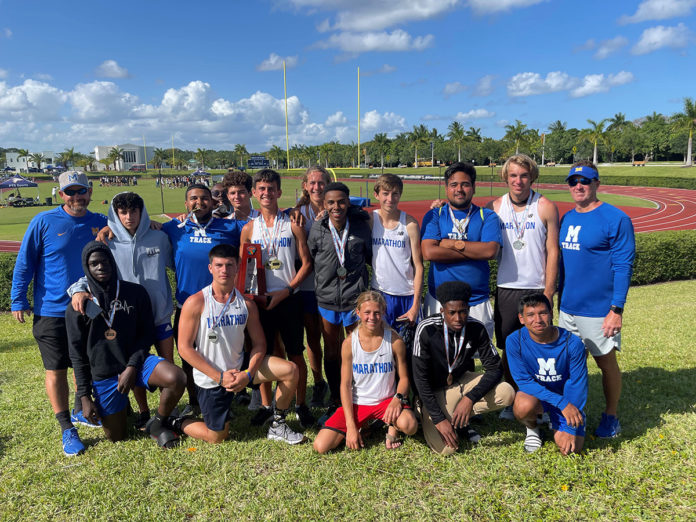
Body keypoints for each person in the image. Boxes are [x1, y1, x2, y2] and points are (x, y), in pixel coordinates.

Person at [11, 171, 107, 456]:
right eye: (70, 192)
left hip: (90, 309)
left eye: (81, 191)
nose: (76, 197)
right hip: (51, 310)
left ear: (90, 192)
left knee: (87, 362)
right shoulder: (43, 221)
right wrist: (18, 300)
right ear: (61, 194)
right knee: (56, 370)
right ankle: (67, 427)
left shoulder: (101, 223)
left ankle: (82, 408)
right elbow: (24, 262)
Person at [171, 244, 307, 445]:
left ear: (237, 268)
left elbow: (260, 344)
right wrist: (219, 377)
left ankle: (278, 425)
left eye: (229, 265)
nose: (224, 270)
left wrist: (248, 374)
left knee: (290, 370)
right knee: (217, 437)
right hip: (212, 377)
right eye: (218, 265)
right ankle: (176, 421)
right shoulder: (196, 302)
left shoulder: (246, 304)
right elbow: (184, 348)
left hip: (240, 367)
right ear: (210, 268)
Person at [67, 192, 175, 429]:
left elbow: (180, 263)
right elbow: (92, 271)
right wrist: (77, 290)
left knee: (169, 365)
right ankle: (144, 411)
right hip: (128, 318)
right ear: (116, 214)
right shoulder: (108, 240)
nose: (128, 217)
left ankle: (169, 411)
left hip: (160, 314)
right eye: (123, 212)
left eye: (134, 211)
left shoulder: (158, 237)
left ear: (142, 212)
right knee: (134, 363)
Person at [65, 242, 185, 449]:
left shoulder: (135, 293)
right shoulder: (77, 307)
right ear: (87, 268)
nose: (100, 267)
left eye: (105, 262)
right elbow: (77, 356)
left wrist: (132, 367)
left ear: (112, 263)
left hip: (136, 364)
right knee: (116, 436)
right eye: (94, 264)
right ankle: (120, 407)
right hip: (104, 373)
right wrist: (84, 396)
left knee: (176, 377)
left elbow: (146, 334)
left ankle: (157, 423)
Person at [559, 161, 635, 438]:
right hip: (567, 308)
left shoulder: (615, 218)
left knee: (606, 363)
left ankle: (611, 415)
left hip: (598, 310)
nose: (579, 186)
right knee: (568, 365)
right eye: (573, 182)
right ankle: (570, 413)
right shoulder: (566, 218)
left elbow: (623, 266)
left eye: (585, 181)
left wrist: (616, 309)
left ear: (596, 184)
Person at [485, 154, 560, 420]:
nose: (518, 181)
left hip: (536, 288)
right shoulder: (494, 207)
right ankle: (511, 397)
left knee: (539, 345)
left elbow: (553, 251)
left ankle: (542, 400)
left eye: (524, 175)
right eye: (513, 175)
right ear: (505, 177)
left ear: (532, 177)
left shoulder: (546, 206)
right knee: (509, 346)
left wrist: (548, 292)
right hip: (506, 287)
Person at [161, 184, 245, 417]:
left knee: (227, 351)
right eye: (193, 199)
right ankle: (195, 401)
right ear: (186, 203)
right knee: (188, 355)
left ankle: (229, 396)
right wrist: (108, 228)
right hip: (187, 305)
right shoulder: (175, 227)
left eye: (204, 198)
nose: (199, 202)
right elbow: (145, 225)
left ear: (214, 202)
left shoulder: (230, 226)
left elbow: (260, 225)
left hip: (222, 305)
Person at [238, 169, 314, 428]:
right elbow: (244, 267)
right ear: (254, 194)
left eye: (271, 189)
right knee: (263, 353)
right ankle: (266, 404)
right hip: (260, 302)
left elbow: (306, 264)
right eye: (261, 189)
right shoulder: (249, 228)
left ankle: (301, 404)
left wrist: (287, 291)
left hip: (288, 298)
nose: (266, 193)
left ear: (279, 192)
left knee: (295, 353)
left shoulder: (293, 223)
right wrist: (252, 297)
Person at [412, 281, 514, 456]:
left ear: (468, 309)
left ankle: (460, 418)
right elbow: (420, 379)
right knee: (447, 450)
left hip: (460, 385)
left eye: (463, 311)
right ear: (442, 311)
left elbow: (495, 368)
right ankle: (429, 414)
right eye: (452, 313)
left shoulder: (476, 328)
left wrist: (469, 399)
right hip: (433, 392)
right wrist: (438, 419)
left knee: (507, 392)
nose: (458, 318)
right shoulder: (426, 329)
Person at [313, 291, 417, 453]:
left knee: (409, 425)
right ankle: (365, 425)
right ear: (358, 313)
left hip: (386, 402)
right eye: (367, 313)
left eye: (377, 313)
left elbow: (404, 378)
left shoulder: (395, 340)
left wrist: (397, 400)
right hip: (358, 403)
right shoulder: (349, 343)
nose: (372, 317)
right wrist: (351, 426)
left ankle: (390, 426)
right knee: (321, 446)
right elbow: (345, 386)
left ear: (383, 312)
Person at [307, 182, 372, 423]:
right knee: (332, 351)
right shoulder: (318, 228)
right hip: (327, 300)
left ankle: (357, 397)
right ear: (324, 204)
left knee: (355, 350)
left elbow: (369, 257)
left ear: (348, 202)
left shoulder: (360, 226)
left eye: (341, 201)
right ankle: (335, 398)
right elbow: (313, 255)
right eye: (331, 202)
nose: (337, 206)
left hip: (355, 300)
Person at [421, 162, 502, 338]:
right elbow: (429, 253)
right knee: (438, 356)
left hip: (476, 301)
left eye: (465, 184)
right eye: (454, 184)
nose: (459, 189)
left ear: (473, 187)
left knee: (472, 358)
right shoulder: (435, 215)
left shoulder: (486, 216)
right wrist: (473, 250)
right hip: (438, 301)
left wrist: (451, 243)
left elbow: (489, 251)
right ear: (446, 188)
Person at [507, 293, 587, 455]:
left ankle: (567, 417)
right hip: (541, 398)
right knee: (522, 406)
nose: (537, 320)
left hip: (567, 398)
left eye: (543, 313)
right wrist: (560, 403)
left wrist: (570, 427)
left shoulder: (573, 343)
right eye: (530, 315)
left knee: (571, 450)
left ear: (551, 314)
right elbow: (523, 381)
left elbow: (578, 384)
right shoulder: (514, 341)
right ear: (521, 318)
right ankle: (533, 429)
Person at [295, 166, 331, 408]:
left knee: (333, 339)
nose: (317, 187)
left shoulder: (339, 208)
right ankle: (318, 382)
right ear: (305, 187)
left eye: (321, 182)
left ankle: (339, 381)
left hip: (333, 285)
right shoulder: (297, 214)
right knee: (313, 338)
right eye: (313, 183)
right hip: (307, 286)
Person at [370, 173, 424, 331]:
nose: (390, 199)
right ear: (376, 195)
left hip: (406, 295)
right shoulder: (370, 220)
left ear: (400, 195)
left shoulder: (410, 224)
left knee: (407, 349)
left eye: (395, 194)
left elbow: (419, 266)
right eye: (385, 194)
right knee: (382, 347)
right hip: (379, 293)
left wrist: (415, 305)